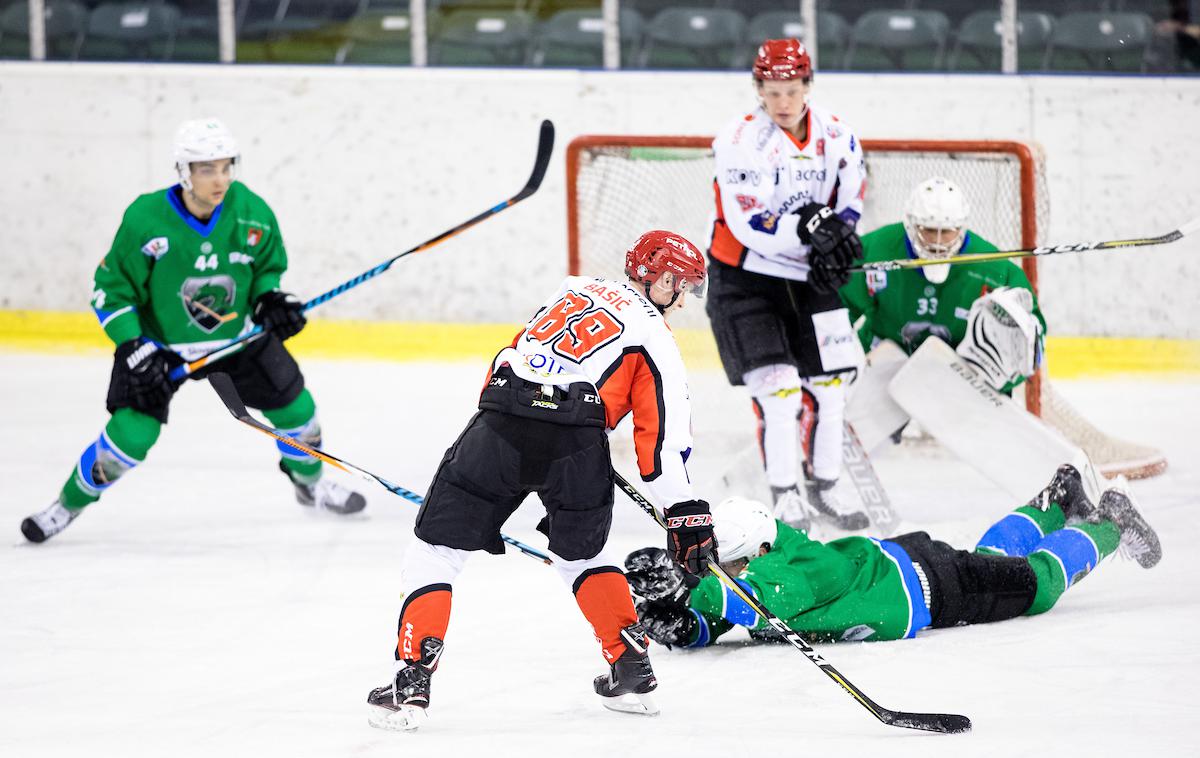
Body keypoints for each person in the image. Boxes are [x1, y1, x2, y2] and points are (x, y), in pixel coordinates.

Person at [365, 231, 718, 731]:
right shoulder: (656, 339)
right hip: (576, 449)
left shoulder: (571, 289)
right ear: (662, 280)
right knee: (583, 556)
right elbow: (661, 442)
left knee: (436, 552)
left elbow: (509, 358)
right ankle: (630, 668)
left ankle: (412, 681)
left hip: (498, 430)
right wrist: (684, 511)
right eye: (681, 287)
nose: (682, 299)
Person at [19, 118, 365, 544]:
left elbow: (265, 272)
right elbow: (111, 292)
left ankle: (309, 486)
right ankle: (65, 506)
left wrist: (268, 301)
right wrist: (132, 344)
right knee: (131, 437)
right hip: (159, 346)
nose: (219, 179)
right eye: (206, 169)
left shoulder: (251, 211)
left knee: (298, 413)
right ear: (184, 171)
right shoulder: (146, 219)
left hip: (236, 339)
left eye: (225, 167)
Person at [626, 464, 1160, 647]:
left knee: (1035, 585)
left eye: (730, 565)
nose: (727, 574)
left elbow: (766, 603)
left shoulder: (798, 568)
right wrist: (687, 623)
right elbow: (723, 614)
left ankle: (1108, 524)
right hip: (911, 565)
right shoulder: (758, 563)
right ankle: (1051, 503)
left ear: (759, 551)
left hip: (936, 589)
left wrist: (691, 584)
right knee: (993, 556)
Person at [706, 38, 869, 535]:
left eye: (792, 90)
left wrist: (839, 237)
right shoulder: (737, 139)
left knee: (831, 388)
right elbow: (749, 223)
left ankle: (827, 484)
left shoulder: (838, 135)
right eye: (771, 92)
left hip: (809, 280)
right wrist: (811, 234)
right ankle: (785, 494)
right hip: (746, 281)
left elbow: (853, 196)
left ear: (807, 86)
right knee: (779, 393)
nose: (782, 102)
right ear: (758, 88)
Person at [840, 176, 1046, 394]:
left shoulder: (995, 270)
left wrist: (999, 381)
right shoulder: (875, 250)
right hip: (886, 363)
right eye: (928, 230)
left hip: (962, 374)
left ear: (962, 227)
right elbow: (837, 304)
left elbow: (1029, 342)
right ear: (910, 224)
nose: (937, 242)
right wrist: (841, 360)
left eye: (947, 232)